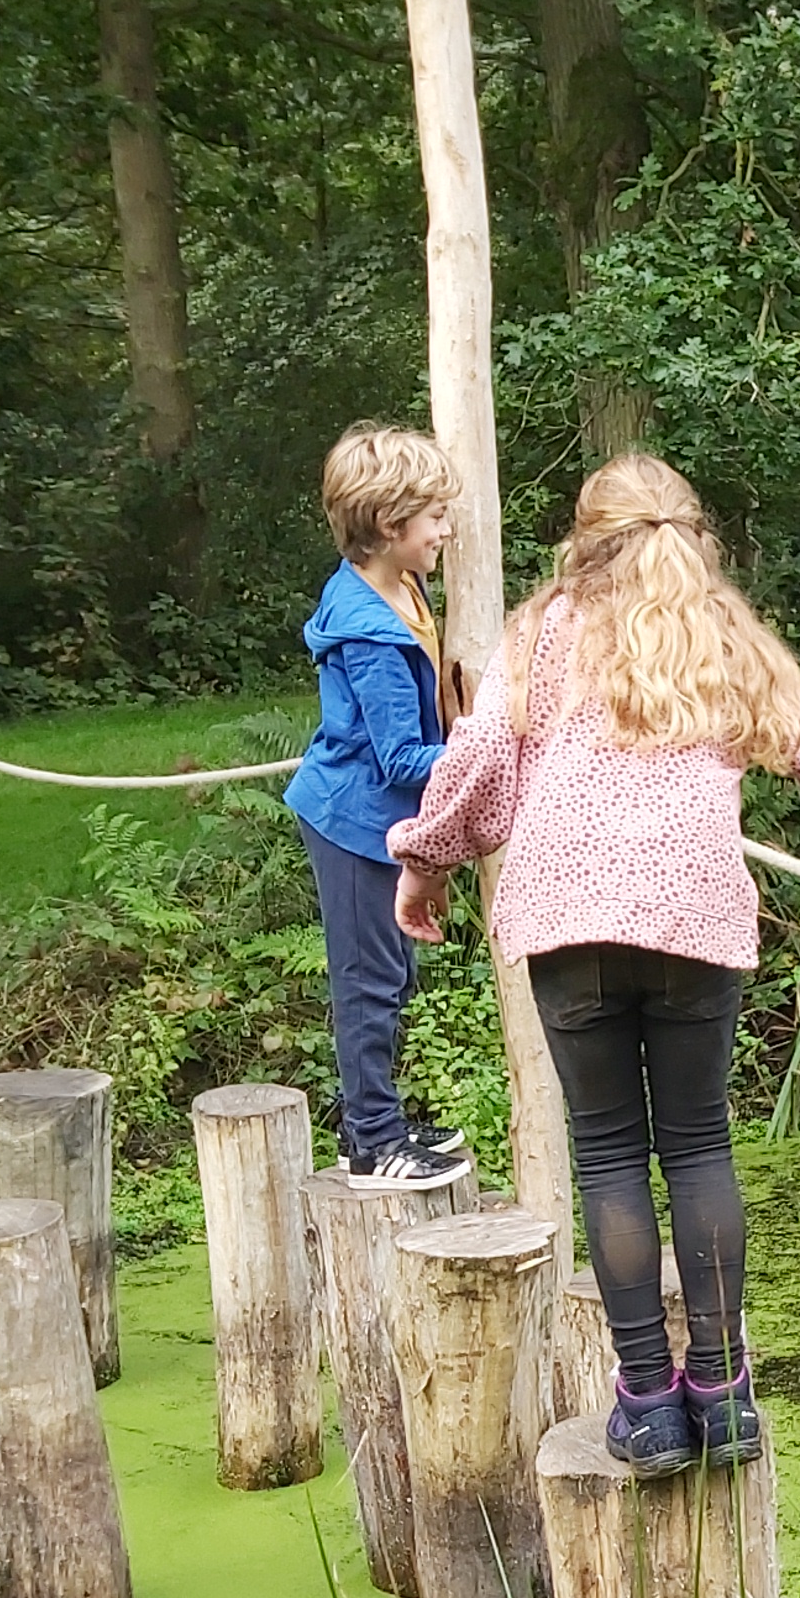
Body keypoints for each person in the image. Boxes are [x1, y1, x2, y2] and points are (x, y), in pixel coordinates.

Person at [388, 452, 800, 1478]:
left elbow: (476, 761)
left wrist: (424, 863)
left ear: (586, 538)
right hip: (692, 916)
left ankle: (647, 1403)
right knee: (696, 1148)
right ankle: (725, 1398)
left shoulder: (547, 630)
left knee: (607, 1155)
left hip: (570, 921)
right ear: (693, 535)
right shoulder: (725, 634)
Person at [287, 423, 468, 1186]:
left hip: (382, 818)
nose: (447, 530)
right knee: (367, 979)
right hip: (355, 820)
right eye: (434, 518)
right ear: (391, 528)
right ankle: (372, 1142)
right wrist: (489, 755)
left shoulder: (399, 583)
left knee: (394, 975)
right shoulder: (369, 631)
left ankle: (381, 1118)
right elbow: (400, 758)